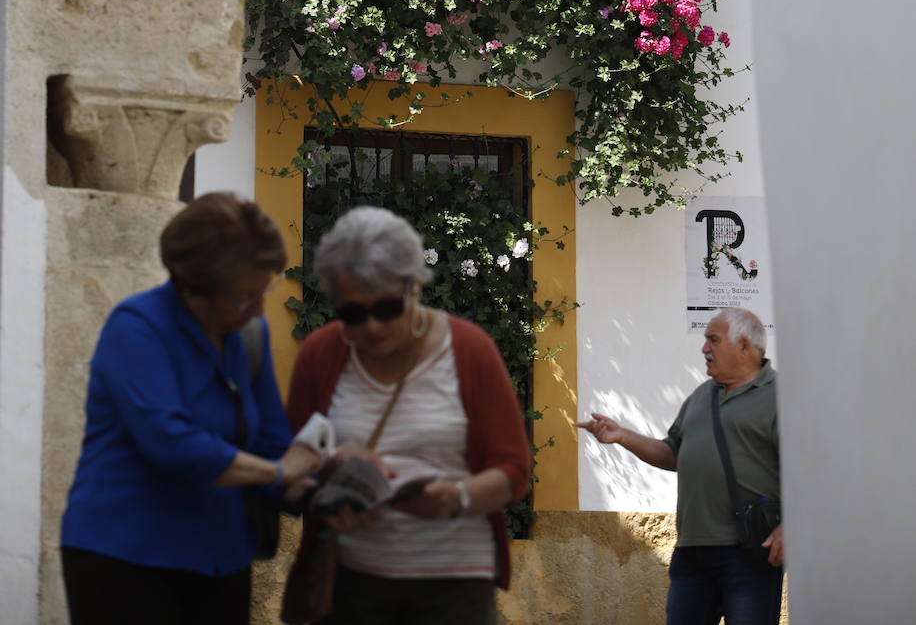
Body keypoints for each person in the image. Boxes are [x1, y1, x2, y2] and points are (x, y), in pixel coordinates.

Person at [60, 192, 321, 625]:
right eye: (244, 297)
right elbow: (172, 444)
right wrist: (278, 472)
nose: (259, 310)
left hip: (220, 558)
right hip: (126, 557)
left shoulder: (247, 337)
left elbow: (275, 445)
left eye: (265, 292)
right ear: (195, 290)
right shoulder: (137, 328)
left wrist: (318, 486)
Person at [285, 205, 531, 625]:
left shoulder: (469, 349)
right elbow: (286, 471)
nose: (372, 328)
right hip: (348, 584)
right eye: (353, 314)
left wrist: (458, 498)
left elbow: (513, 471)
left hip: (454, 590)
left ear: (414, 287)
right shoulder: (321, 354)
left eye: (386, 309)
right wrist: (325, 489)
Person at [578, 307, 782, 625]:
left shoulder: (779, 396)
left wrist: (791, 526)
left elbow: (807, 470)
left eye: (713, 340)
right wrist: (622, 436)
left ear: (744, 346)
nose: (704, 349)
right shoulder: (701, 397)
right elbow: (674, 454)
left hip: (749, 552)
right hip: (692, 551)